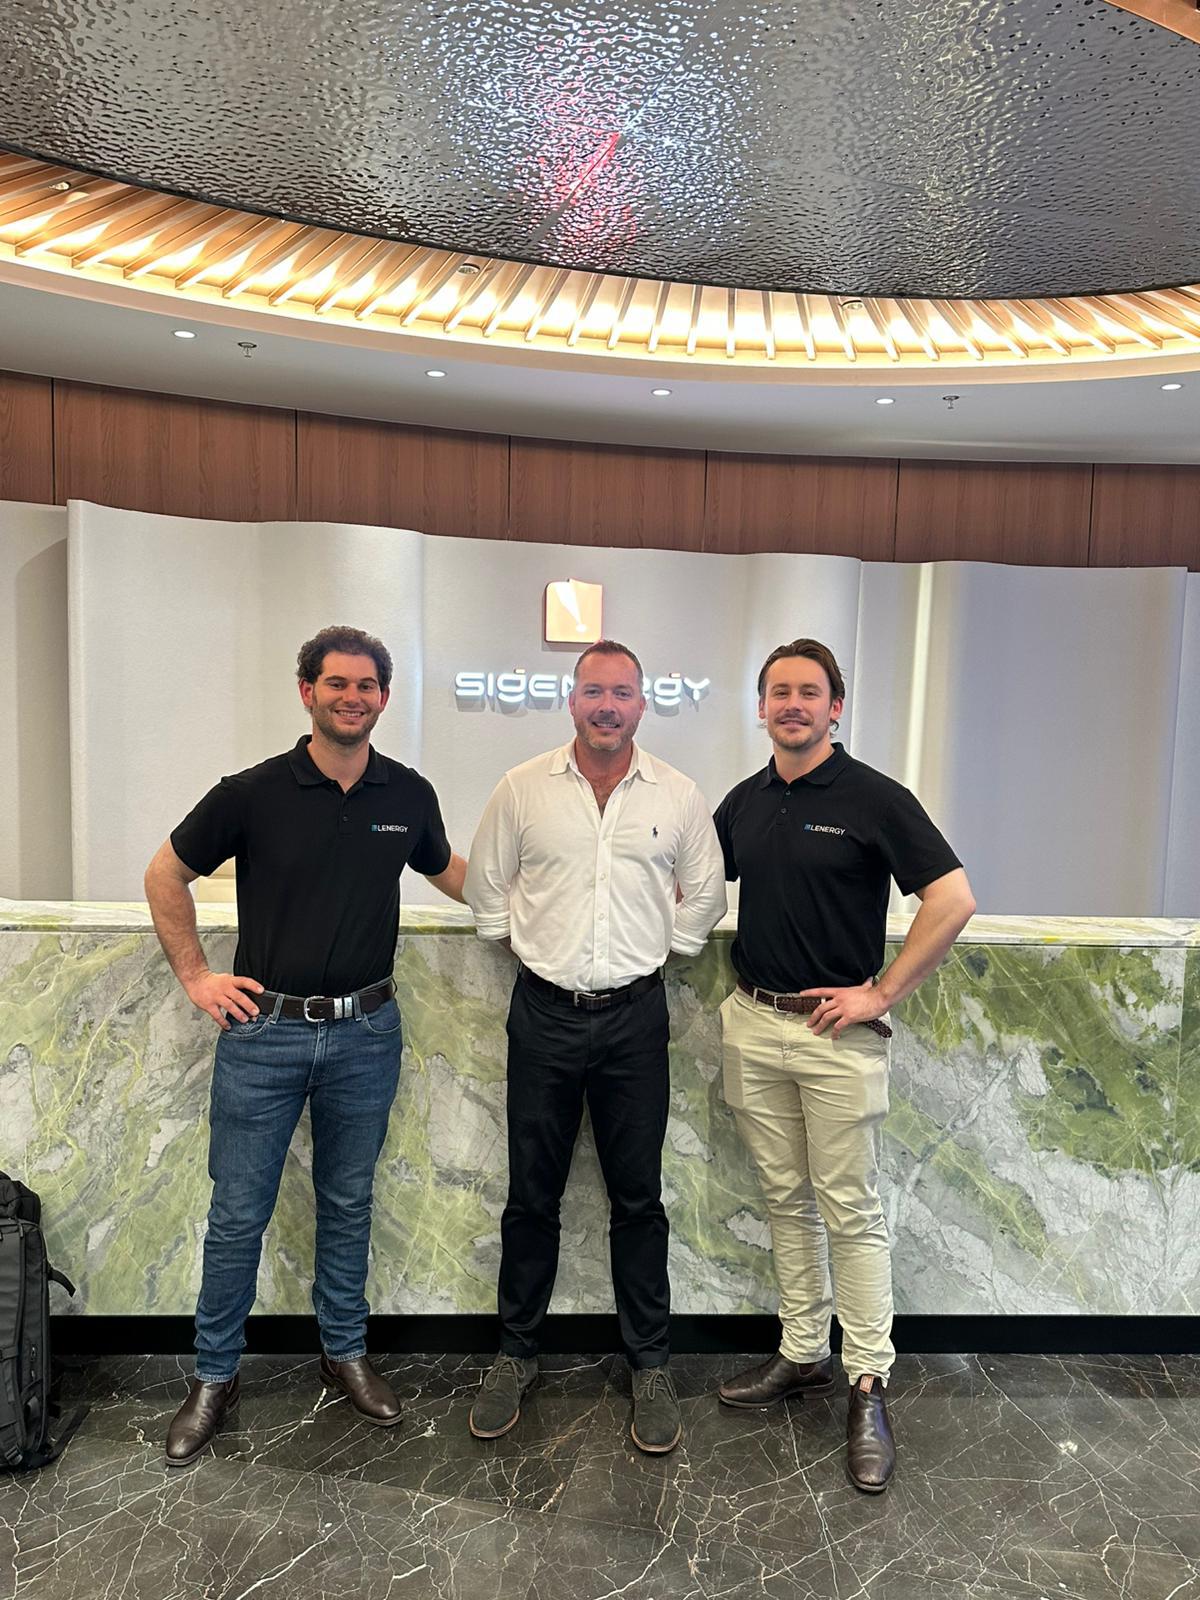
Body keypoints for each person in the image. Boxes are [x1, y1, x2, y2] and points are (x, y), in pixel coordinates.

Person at [145, 625, 466, 1467]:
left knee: (350, 1203)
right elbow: (163, 873)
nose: (352, 697)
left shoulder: (408, 794)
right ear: (307, 691)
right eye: (337, 684)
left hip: (368, 1032)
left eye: (367, 686)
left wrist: (560, 889)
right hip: (264, 1035)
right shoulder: (252, 792)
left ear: (384, 699)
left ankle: (344, 1352)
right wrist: (196, 978)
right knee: (238, 1216)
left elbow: (458, 875)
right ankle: (215, 1376)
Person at [713, 638, 975, 1493]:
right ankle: (801, 1354)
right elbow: (688, 886)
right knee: (786, 1200)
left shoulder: (873, 797)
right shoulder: (745, 803)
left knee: (850, 1211)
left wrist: (883, 993)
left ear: (836, 708)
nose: (793, 704)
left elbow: (953, 897)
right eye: (779, 692)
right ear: (761, 708)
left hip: (836, 1040)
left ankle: (867, 1381)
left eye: (809, 693)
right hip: (754, 1024)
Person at [464, 639, 726, 1454]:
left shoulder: (678, 795)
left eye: (621, 693)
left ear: (642, 705)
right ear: (570, 701)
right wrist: (539, 954)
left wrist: (661, 948)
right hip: (541, 1016)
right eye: (592, 692)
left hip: (635, 1021)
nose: (606, 706)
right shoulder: (523, 789)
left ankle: (650, 1365)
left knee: (638, 1200)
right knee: (530, 1197)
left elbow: (706, 898)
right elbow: (486, 892)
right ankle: (515, 1355)